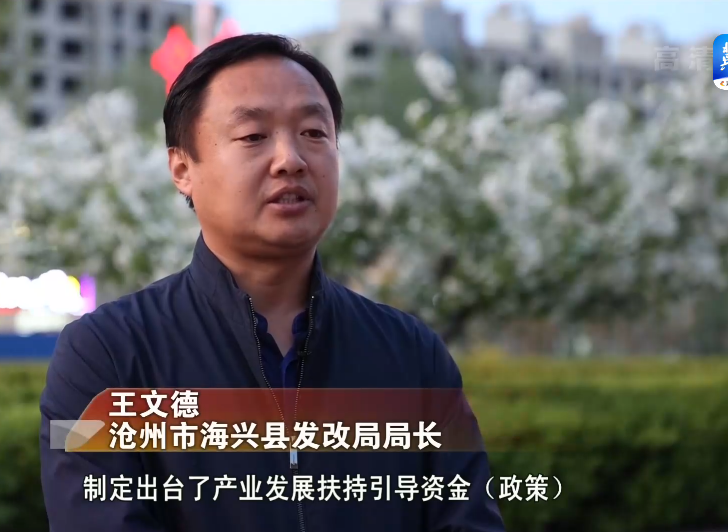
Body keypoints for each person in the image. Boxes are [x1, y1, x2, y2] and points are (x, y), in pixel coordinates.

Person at [39, 33, 505, 532]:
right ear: (182, 168)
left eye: (313, 132)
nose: (291, 159)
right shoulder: (103, 357)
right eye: (253, 136)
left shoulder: (413, 357)